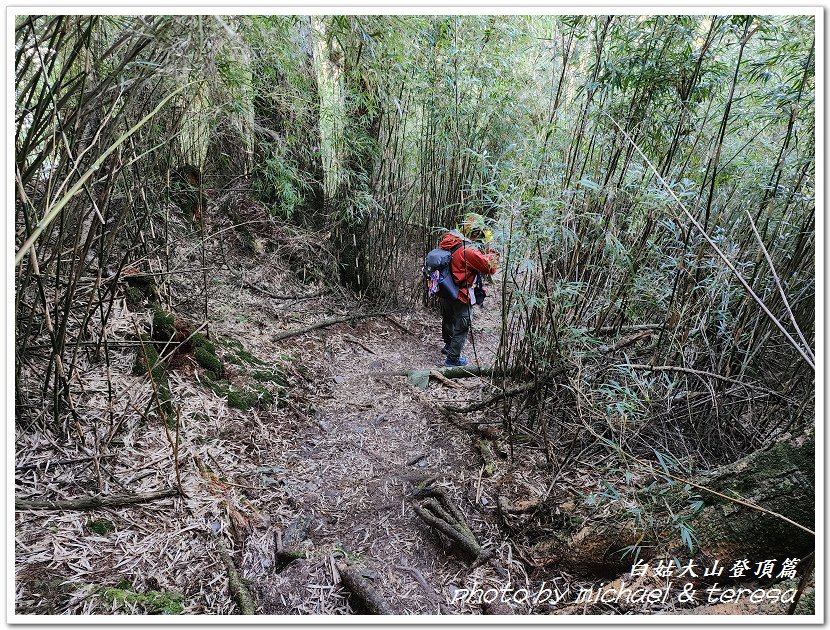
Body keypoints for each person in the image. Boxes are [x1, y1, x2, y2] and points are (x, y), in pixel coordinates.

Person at [438, 216, 498, 367]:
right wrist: (491, 245)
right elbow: (490, 267)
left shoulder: (448, 240)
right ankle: (453, 359)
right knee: (462, 325)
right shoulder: (468, 250)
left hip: (445, 289)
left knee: (448, 318)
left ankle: (448, 345)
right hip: (461, 293)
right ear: (476, 233)